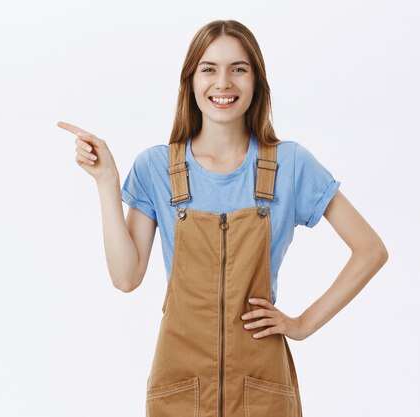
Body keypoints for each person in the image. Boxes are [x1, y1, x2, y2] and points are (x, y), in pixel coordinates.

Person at [57, 19, 388, 417]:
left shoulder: (290, 163)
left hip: (262, 386)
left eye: (239, 69)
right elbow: (126, 278)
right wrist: (107, 182)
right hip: (179, 385)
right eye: (209, 69)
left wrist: (302, 324)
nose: (223, 83)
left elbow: (370, 250)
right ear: (191, 81)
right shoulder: (156, 168)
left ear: (257, 81)